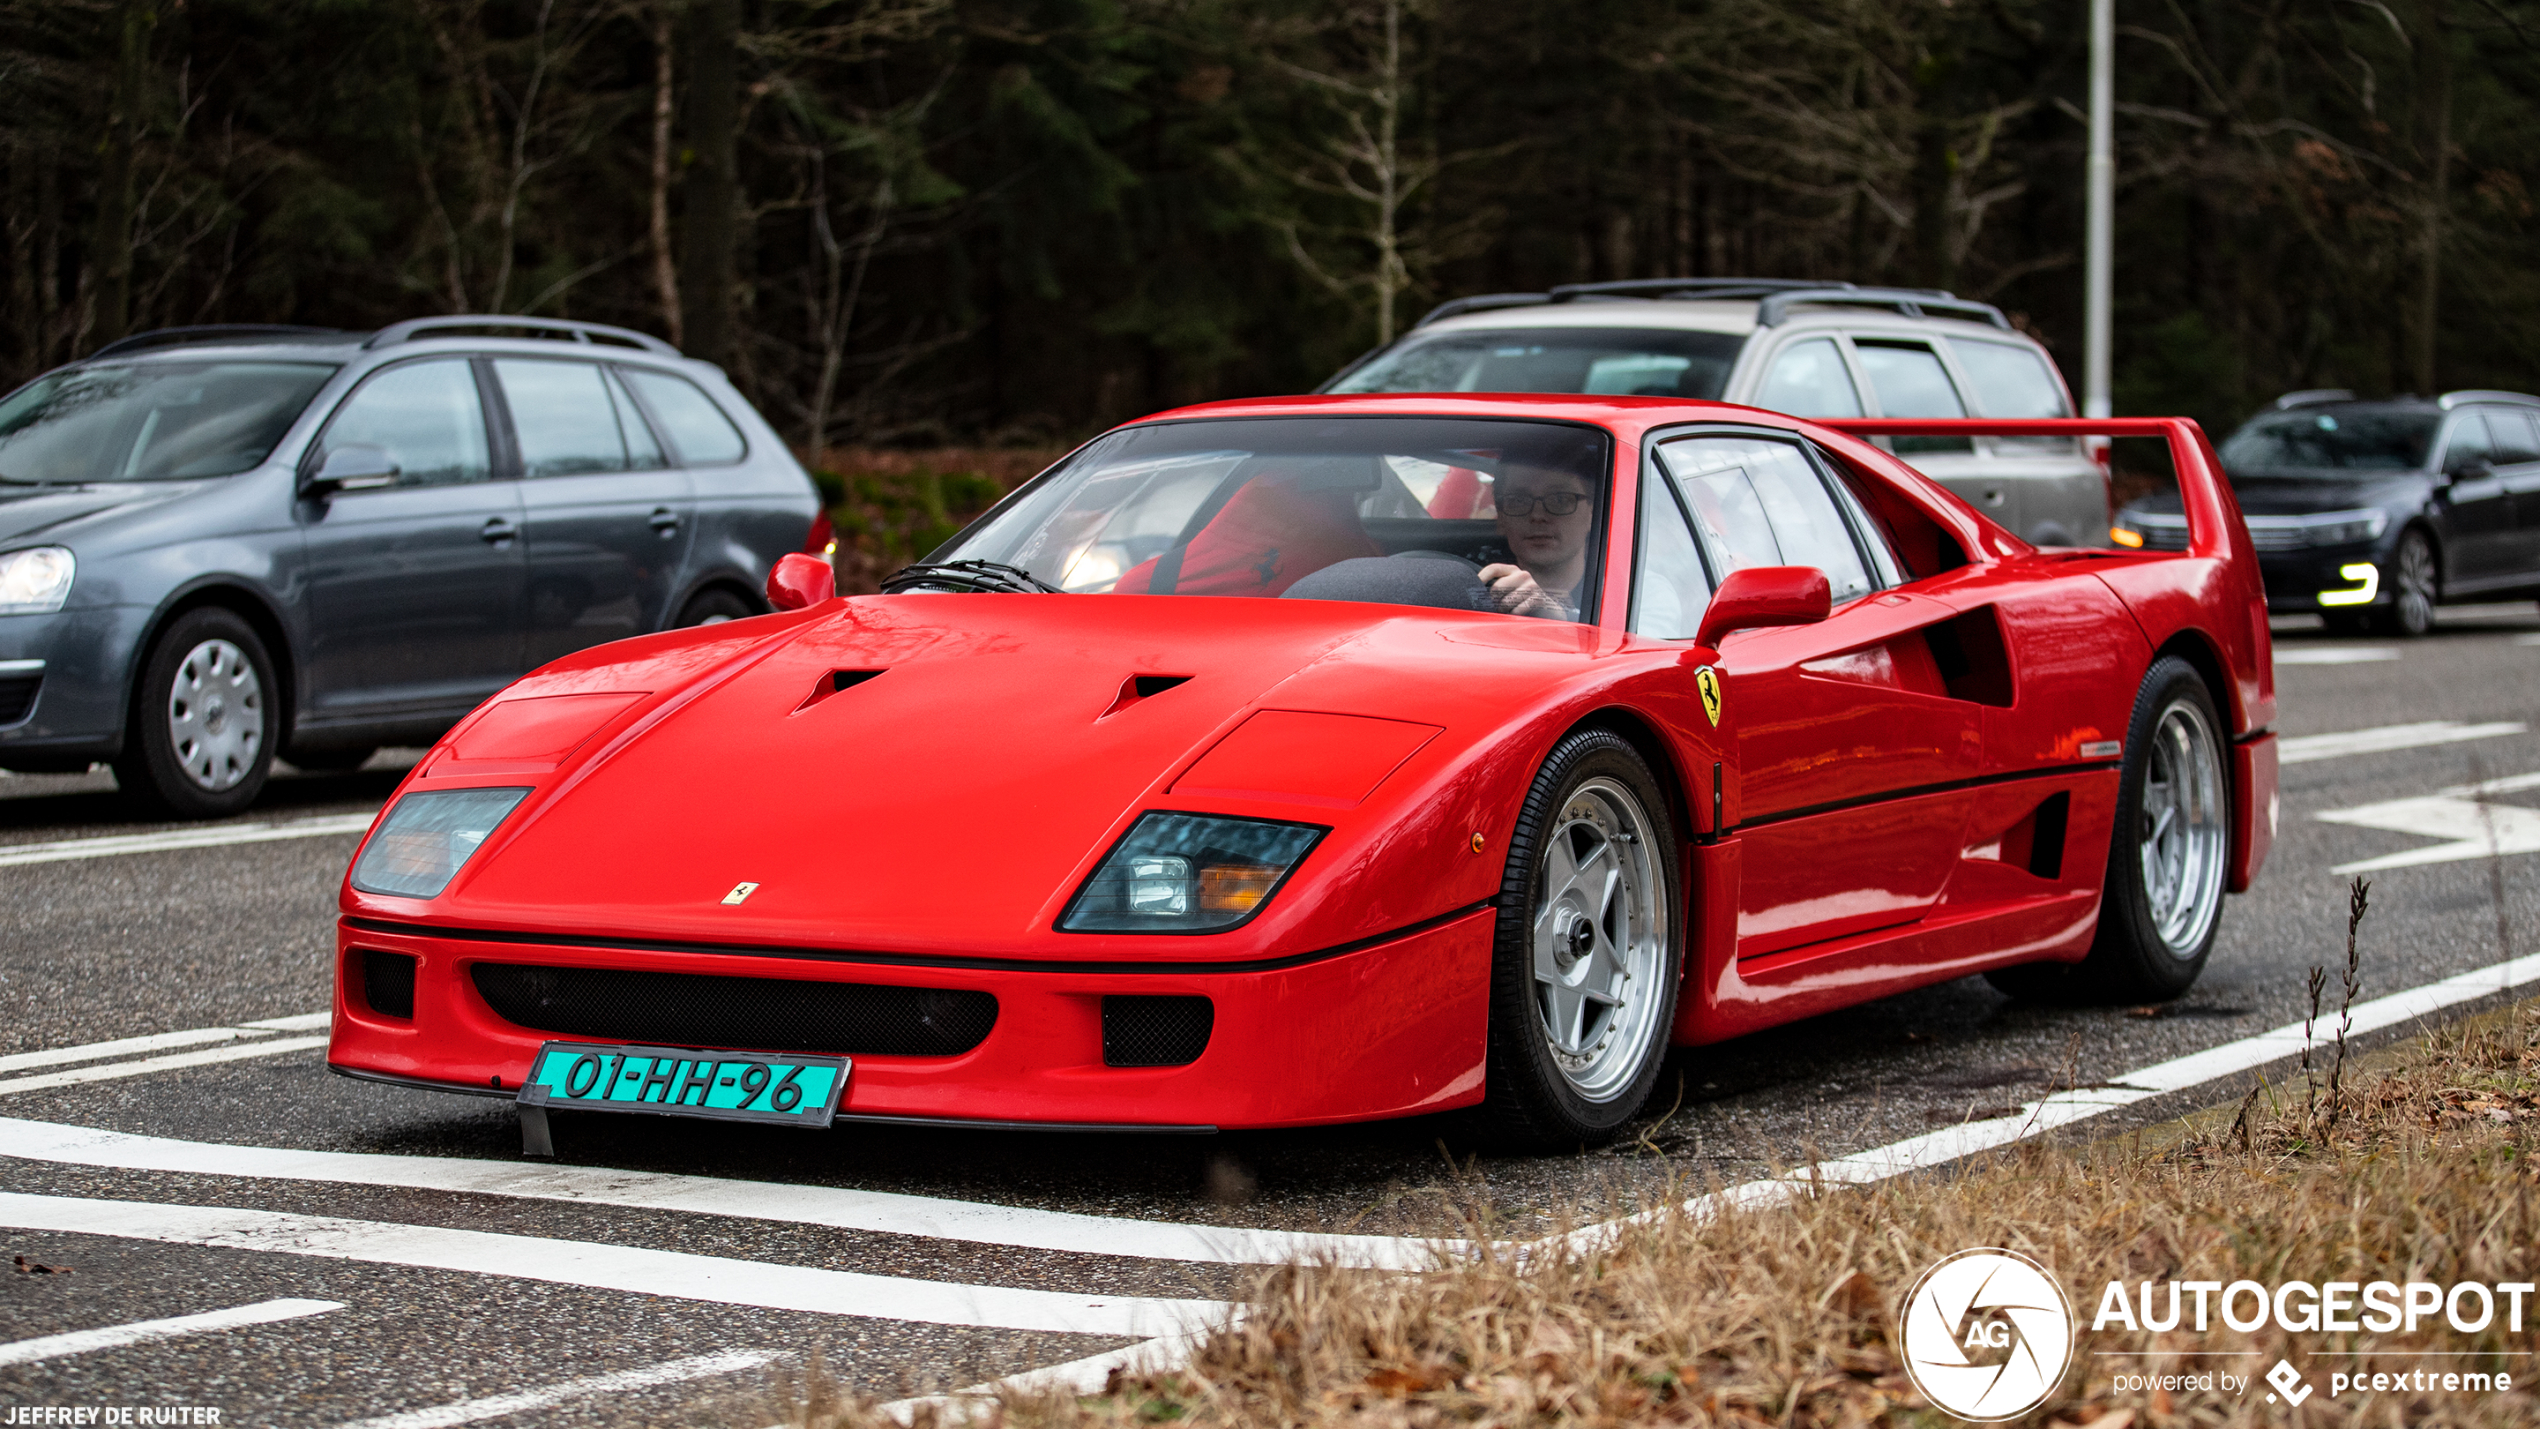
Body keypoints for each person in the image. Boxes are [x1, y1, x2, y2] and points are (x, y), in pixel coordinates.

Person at [1478, 459, 1595, 619]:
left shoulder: (1630, 596)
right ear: (1501, 519)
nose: (1537, 515)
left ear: (1592, 515)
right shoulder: (1475, 592)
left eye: (1560, 499)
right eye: (1518, 500)